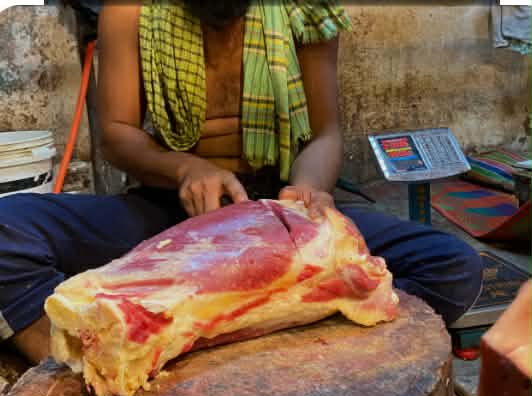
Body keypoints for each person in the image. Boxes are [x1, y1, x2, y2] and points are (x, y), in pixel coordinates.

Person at [0, 0, 482, 364]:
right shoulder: (130, 11)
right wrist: (186, 169)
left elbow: (325, 133)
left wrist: (308, 189)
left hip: (279, 216)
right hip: (168, 217)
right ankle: (90, 365)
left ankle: (253, 334)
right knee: (6, 226)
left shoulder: (306, 10)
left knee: (452, 266)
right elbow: (118, 135)